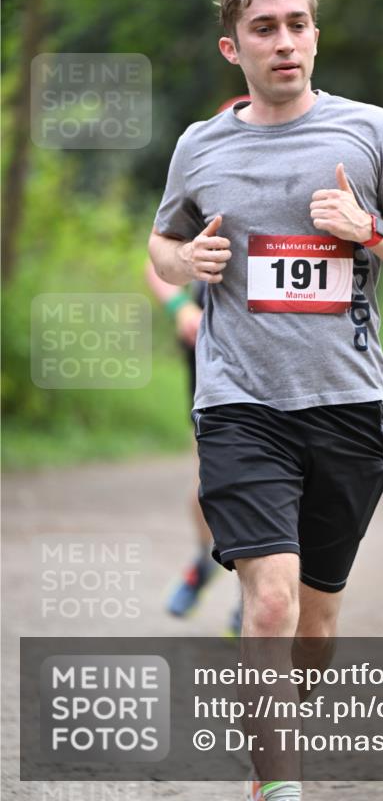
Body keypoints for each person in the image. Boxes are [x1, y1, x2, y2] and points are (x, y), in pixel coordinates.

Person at [148, 0, 383, 801]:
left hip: (347, 408)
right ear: (231, 47)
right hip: (240, 403)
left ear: (314, 34)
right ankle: (279, 787)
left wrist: (371, 230)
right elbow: (161, 246)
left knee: (313, 623)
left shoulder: (373, 132)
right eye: (264, 29)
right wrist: (186, 259)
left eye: (297, 24)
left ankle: (274, 748)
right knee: (269, 607)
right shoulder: (200, 146)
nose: (284, 42)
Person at [145, 263, 243, 633]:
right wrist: (180, 308)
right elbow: (156, 262)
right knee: (211, 482)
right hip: (209, 355)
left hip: (279, 360)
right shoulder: (204, 204)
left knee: (268, 488)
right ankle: (204, 562)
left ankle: (253, 599)